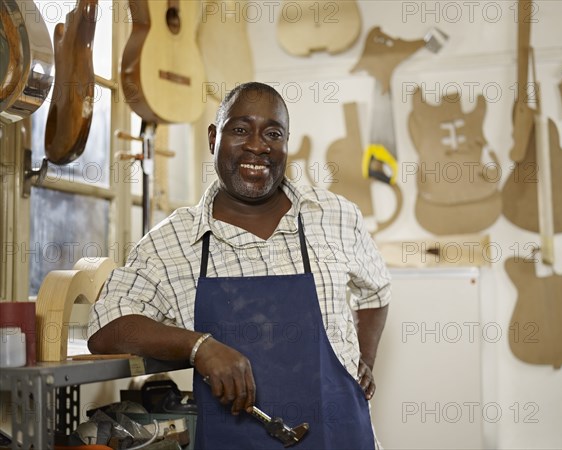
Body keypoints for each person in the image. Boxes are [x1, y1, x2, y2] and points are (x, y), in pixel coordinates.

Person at [88, 81, 391, 449]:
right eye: (241, 129)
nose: (258, 145)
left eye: (273, 133)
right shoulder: (172, 242)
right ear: (214, 138)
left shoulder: (335, 216)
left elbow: (376, 290)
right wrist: (199, 346)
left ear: (286, 144)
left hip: (342, 436)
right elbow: (107, 328)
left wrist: (365, 360)